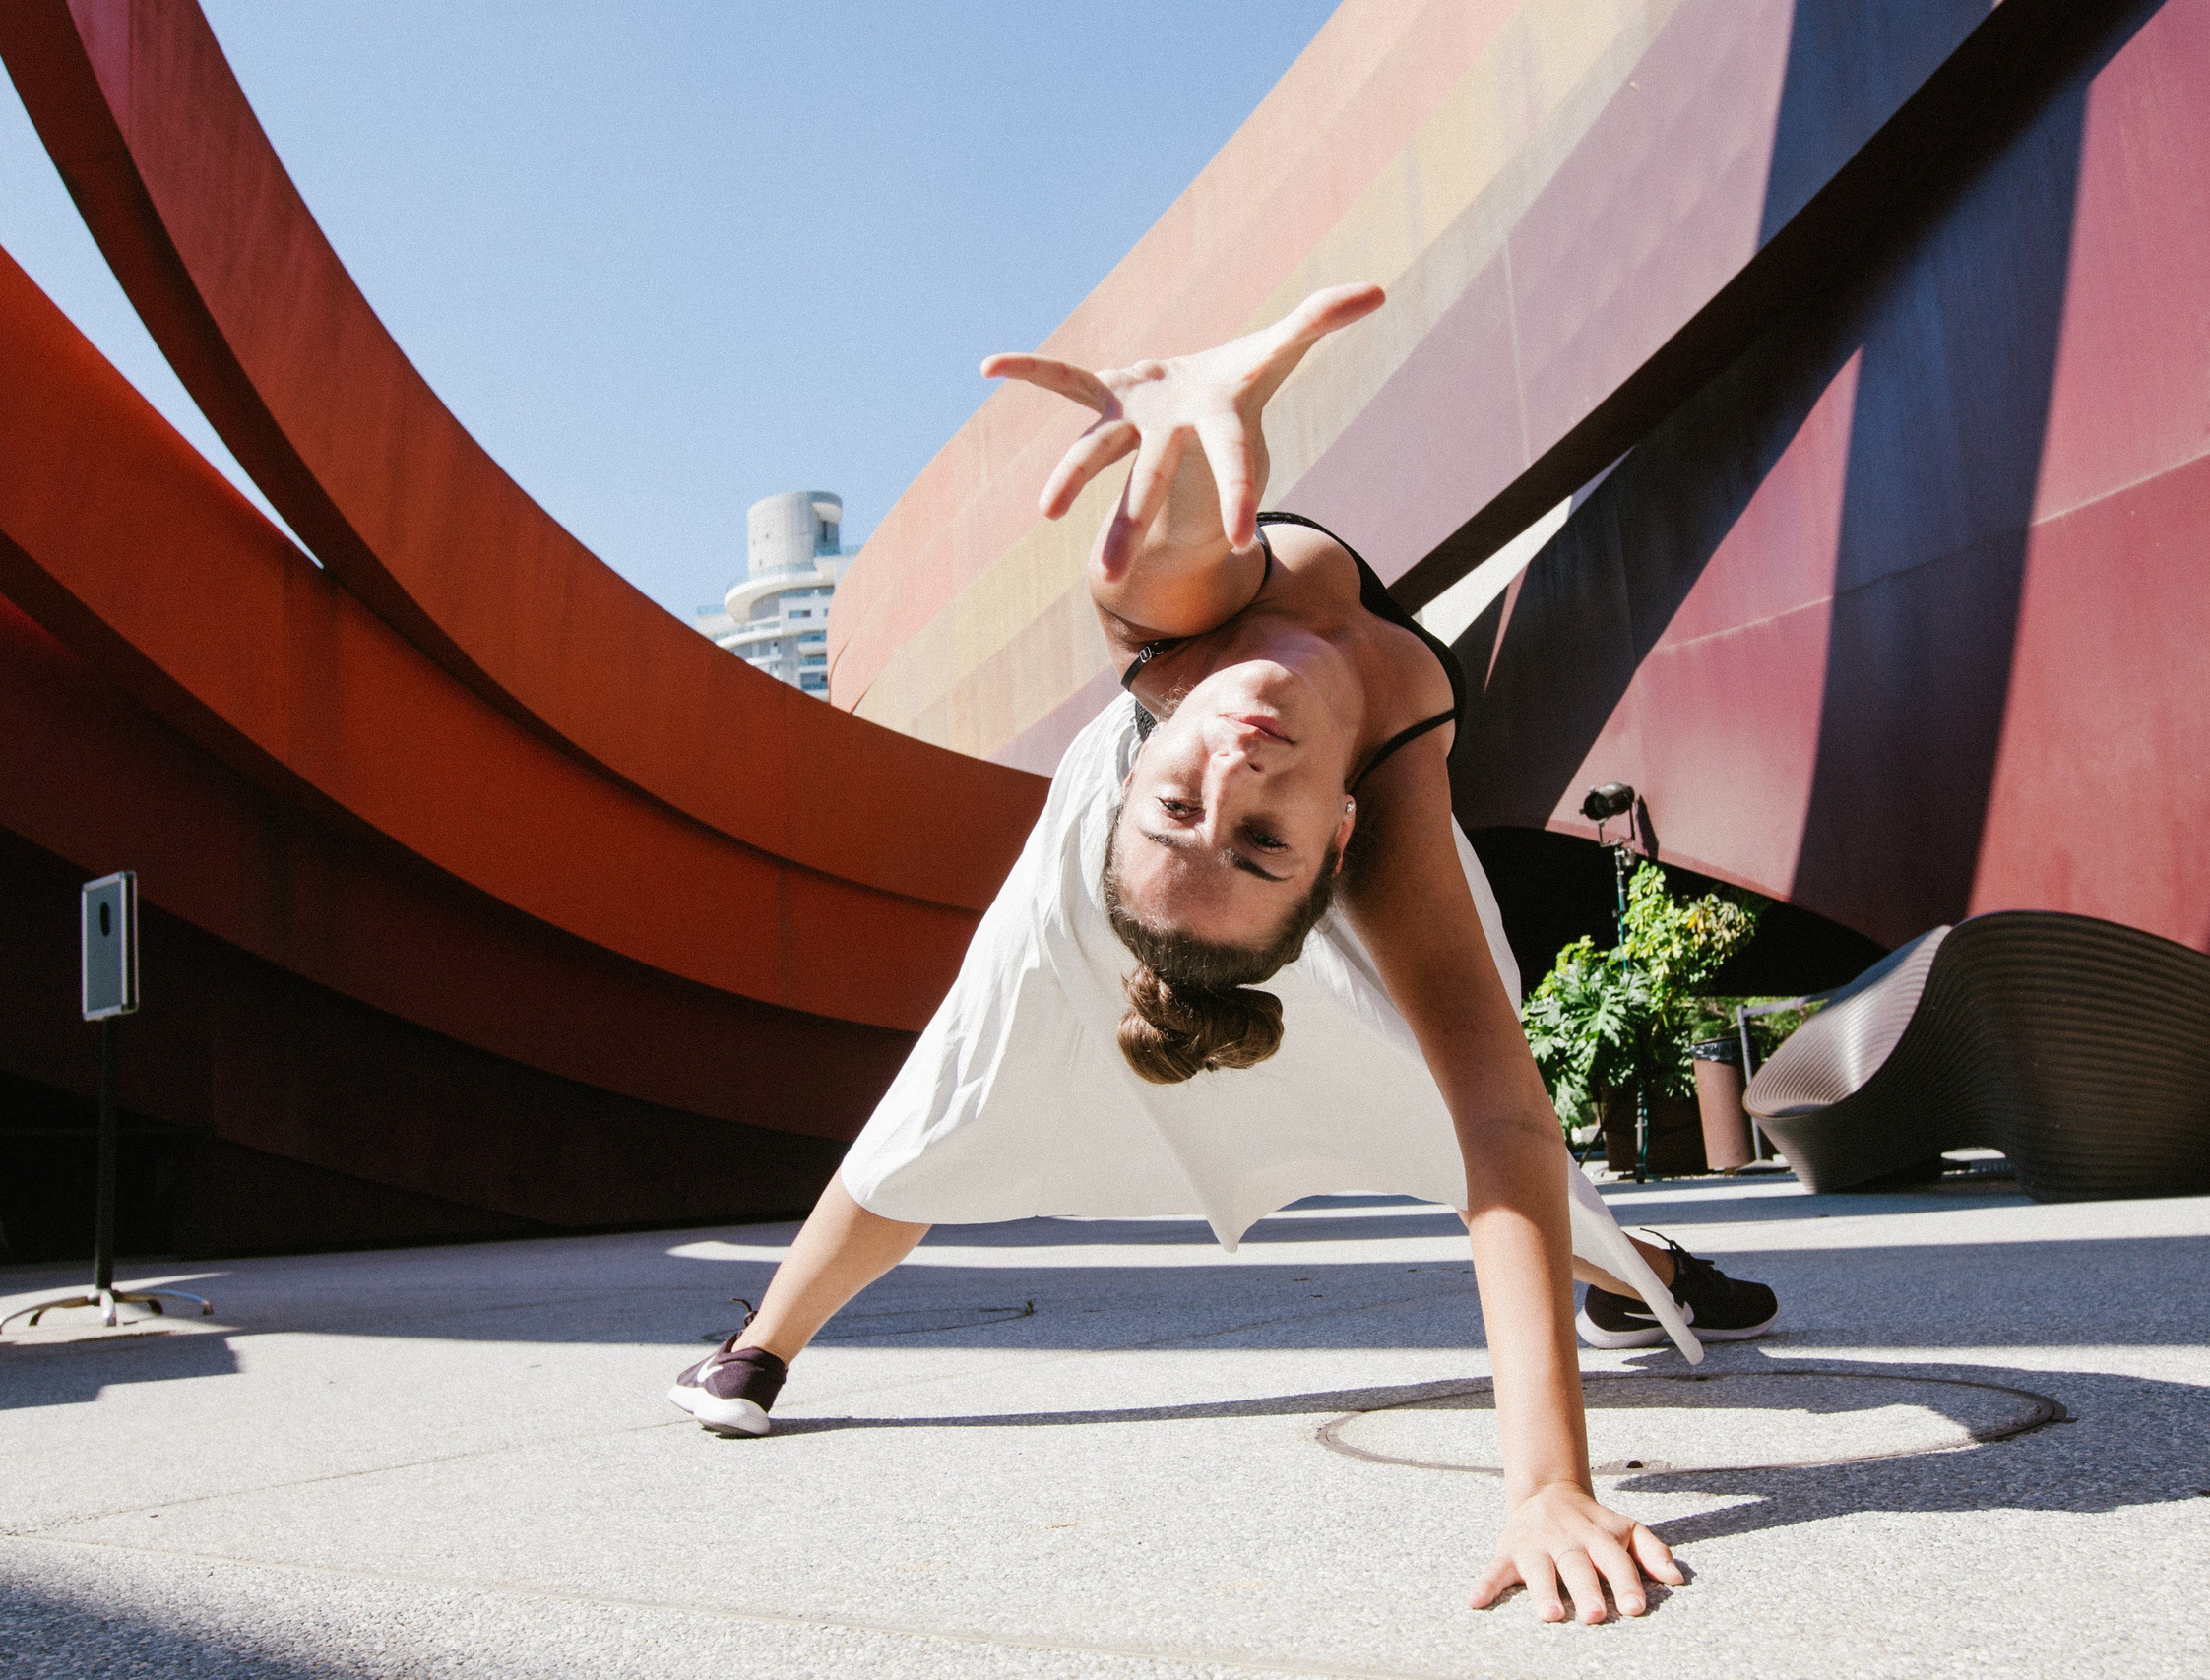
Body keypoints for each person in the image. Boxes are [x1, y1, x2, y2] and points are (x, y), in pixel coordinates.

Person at [669, 285, 1779, 1624]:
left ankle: (1639, 1272)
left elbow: (1155, 559)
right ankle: (762, 1348)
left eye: (1203, 803)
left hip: (1135, 867)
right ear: (1329, 847)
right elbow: (1503, 1116)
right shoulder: (1336, 792)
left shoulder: (1183, 641)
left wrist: (1186, 433)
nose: (1236, 769)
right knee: (965, 1082)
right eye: (1253, 831)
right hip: (1109, 881)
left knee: (1447, 1123)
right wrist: (1547, 1486)